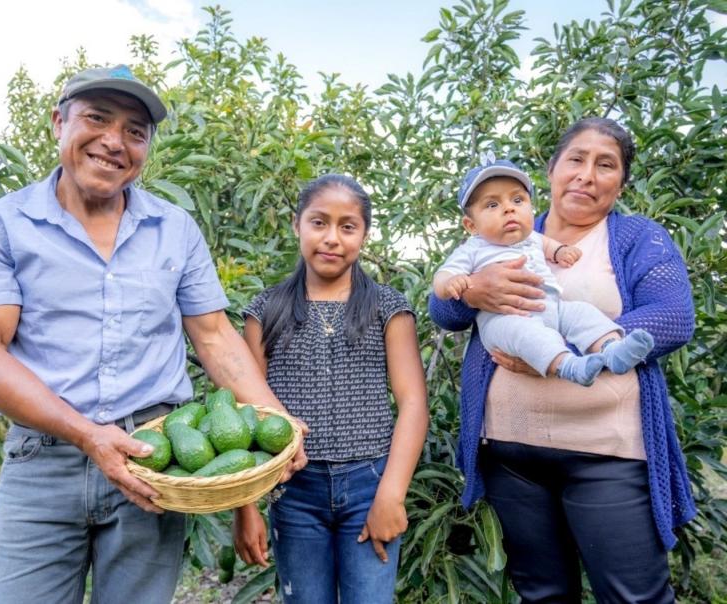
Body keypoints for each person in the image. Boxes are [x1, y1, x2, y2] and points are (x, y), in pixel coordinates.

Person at [0, 65, 304, 604]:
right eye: (97, 118)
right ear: (58, 123)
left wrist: (277, 419)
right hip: (43, 461)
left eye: (135, 131)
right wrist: (89, 435)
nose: (114, 141)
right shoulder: (0, 224)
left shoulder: (174, 228)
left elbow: (212, 335)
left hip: (155, 460)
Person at [429, 117, 696, 603]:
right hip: (512, 455)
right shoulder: (498, 230)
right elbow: (444, 311)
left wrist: (553, 355)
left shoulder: (637, 237)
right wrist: (475, 291)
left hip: (607, 454)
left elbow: (674, 316)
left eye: (606, 165)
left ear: (621, 182)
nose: (587, 175)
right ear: (551, 169)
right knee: (544, 596)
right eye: (575, 159)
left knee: (634, 596)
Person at [232, 174, 429, 603]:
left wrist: (391, 496)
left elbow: (413, 402)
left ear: (364, 234)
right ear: (296, 224)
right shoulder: (265, 310)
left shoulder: (387, 307)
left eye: (347, 226)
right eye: (319, 222)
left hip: (371, 484)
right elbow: (245, 412)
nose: (332, 238)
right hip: (293, 489)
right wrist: (245, 507)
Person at [433, 156, 654, 386]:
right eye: (492, 205)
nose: (509, 208)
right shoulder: (473, 249)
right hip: (506, 320)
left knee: (583, 313)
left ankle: (612, 349)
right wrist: (456, 284)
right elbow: (441, 280)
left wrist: (560, 252)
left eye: (517, 200)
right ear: (471, 225)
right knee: (527, 334)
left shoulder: (532, 237)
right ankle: (569, 365)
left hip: (552, 307)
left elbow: (548, 245)